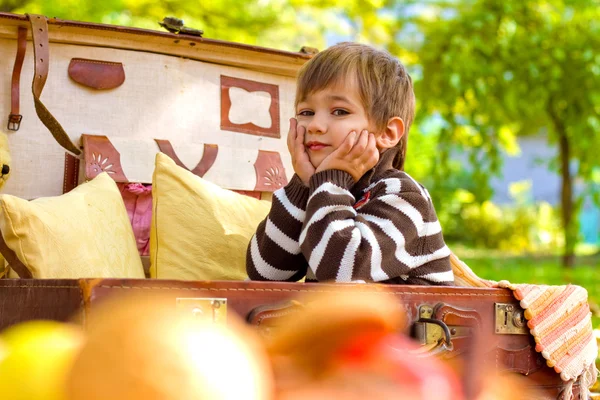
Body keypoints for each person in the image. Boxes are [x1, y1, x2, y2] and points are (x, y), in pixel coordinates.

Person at [246, 42, 453, 285]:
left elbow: (341, 274)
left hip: (405, 322)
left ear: (387, 132)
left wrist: (331, 180)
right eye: (306, 112)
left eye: (340, 112)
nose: (315, 125)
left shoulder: (403, 195)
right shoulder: (322, 191)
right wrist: (303, 185)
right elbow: (266, 274)